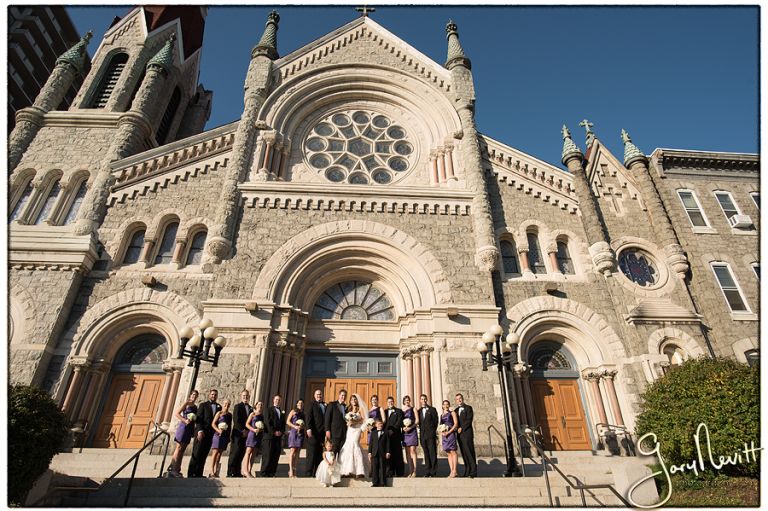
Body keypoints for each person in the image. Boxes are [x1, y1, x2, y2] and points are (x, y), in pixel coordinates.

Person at [187, 389, 221, 478]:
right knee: (197, 452)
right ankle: (191, 473)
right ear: (209, 395)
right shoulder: (203, 405)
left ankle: (199, 473)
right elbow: (199, 419)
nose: (213, 396)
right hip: (201, 432)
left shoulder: (219, 407)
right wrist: (199, 430)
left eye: (215, 395)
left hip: (211, 434)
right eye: (212, 394)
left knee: (204, 454)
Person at [168, 390, 198, 477]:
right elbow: (177, 414)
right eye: (193, 395)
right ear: (190, 395)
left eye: (195, 395)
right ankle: (173, 467)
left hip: (189, 428)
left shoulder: (195, 407)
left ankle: (178, 468)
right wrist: (184, 420)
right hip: (183, 427)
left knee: (183, 448)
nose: (194, 396)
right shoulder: (186, 404)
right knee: (179, 447)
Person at [338, 393, 369, 478]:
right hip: (350, 430)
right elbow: (346, 421)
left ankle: (359, 471)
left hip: (357, 430)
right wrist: (348, 422)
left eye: (355, 399)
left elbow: (363, 420)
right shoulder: (348, 409)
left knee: (355, 445)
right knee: (348, 446)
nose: (353, 401)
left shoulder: (360, 409)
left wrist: (354, 422)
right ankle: (347, 470)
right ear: (350, 401)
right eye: (352, 400)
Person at [228, 389, 252, 477]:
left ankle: (237, 472)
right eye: (244, 396)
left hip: (246, 434)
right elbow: (236, 420)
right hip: (238, 433)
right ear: (241, 397)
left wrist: (248, 431)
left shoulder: (250, 408)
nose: (245, 397)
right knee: (235, 452)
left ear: (249, 397)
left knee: (241, 452)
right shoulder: (237, 406)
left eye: (246, 396)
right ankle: (230, 472)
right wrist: (242, 430)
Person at [260, 394, 286, 477]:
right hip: (269, 436)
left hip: (278, 437)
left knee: (275, 455)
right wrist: (274, 432)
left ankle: (272, 472)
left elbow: (283, 424)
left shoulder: (282, 412)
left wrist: (281, 432)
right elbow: (267, 422)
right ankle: (264, 473)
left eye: (279, 400)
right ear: (273, 400)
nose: (277, 401)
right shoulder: (268, 410)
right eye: (276, 399)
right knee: (267, 455)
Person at [304, 389, 326, 477]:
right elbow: (308, 417)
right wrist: (308, 428)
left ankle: (316, 473)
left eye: (320, 394)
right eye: (317, 394)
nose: (319, 396)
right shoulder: (311, 405)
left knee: (319, 454)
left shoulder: (325, 405)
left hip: (321, 434)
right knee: (311, 454)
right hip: (313, 433)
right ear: (314, 395)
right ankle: (308, 473)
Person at [455, 393, 477, 478]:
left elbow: (469, 420)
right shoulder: (456, 410)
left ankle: (473, 471)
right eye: (457, 399)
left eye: (460, 398)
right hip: (460, 435)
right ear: (456, 401)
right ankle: (467, 470)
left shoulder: (468, 408)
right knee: (464, 453)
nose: (459, 400)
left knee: (470, 452)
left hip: (467, 433)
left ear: (463, 399)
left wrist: (461, 428)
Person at [208, 399, 232, 478]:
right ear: (223, 404)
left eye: (228, 404)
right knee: (215, 453)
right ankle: (211, 471)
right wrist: (218, 430)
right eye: (225, 404)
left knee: (219, 454)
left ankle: (216, 471)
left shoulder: (229, 415)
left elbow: (229, 426)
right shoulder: (219, 413)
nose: (226, 405)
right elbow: (213, 423)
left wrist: (229, 436)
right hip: (217, 435)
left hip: (225, 435)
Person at [383, 396, 405, 477]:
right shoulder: (384, 411)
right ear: (387, 403)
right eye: (389, 402)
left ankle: (399, 473)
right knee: (388, 454)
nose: (390, 403)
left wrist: (393, 430)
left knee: (397, 454)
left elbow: (399, 421)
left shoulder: (399, 411)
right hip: (387, 437)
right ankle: (389, 472)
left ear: (393, 402)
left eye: (391, 401)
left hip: (396, 435)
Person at [418, 394, 439, 477]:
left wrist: (432, 432)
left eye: (424, 399)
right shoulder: (419, 411)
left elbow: (435, 421)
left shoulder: (432, 410)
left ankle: (433, 471)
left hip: (430, 435)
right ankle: (427, 471)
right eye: (422, 399)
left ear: (427, 400)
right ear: (420, 400)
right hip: (422, 435)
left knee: (432, 453)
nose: (423, 400)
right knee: (426, 453)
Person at [243, 401, 264, 477]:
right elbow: (247, 424)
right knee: (248, 451)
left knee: (254, 453)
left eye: (261, 405)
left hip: (258, 435)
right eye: (259, 404)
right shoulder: (253, 414)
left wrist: (261, 429)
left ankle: (249, 470)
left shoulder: (262, 416)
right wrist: (253, 429)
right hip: (252, 434)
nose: (260, 406)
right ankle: (245, 470)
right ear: (256, 406)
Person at [286, 399, 306, 478]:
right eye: (299, 403)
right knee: (293, 450)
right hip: (294, 432)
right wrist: (295, 426)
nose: (300, 404)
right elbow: (287, 421)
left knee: (297, 452)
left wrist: (302, 426)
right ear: (296, 404)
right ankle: (290, 470)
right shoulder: (293, 411)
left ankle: (295, 470)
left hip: (300, 433)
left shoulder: (303, 414)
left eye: (302, 403)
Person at [368, 418, 390, 487]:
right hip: (374, 452)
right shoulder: (373, 433)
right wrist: (369, 452)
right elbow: (371, 443)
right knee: (374, 468)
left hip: (382, 452)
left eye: (381, 424)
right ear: (376, 425)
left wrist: (388, 452)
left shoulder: (385, 432)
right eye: (379, 424)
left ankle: (383, 482)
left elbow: (388, 443)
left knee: (382, 467)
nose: (380, 425)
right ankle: (375, 482)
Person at [324, 389, 348, 454]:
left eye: (345, 396)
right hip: (334, 433)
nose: (343, 397)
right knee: (333, 452)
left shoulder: (346, 407)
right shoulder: (332, 404)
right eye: (342, 395)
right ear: (339, 395)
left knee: (342, 453)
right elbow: (327, 418)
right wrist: (327, 430)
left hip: (343, 434)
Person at [440, 400, 459, 478]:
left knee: (453, 451)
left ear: (449, 405)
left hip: (450, 434)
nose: (446, 406)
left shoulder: (452, 413)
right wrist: (442, 432)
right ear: (442, 406)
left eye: (447, 404)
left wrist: (449, 432)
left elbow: (455, 424)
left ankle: (455, 470)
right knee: (448, 453)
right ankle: (451, 471)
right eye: (444, 404)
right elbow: (440, 425)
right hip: (444, 435)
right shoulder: (441, 415)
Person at [401, 395, 419, 477]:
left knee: (413, 451)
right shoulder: (402, 410)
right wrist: (403, 427)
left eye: (408, 400)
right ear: (404, 401)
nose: (407, 401)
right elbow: (400, 421)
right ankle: (410, 471)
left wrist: (410, 427)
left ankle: (415, 471)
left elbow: (417, 420)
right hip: (405, 433)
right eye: (406, 400)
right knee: (407, 452)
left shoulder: (413, 409)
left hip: (412, 431)